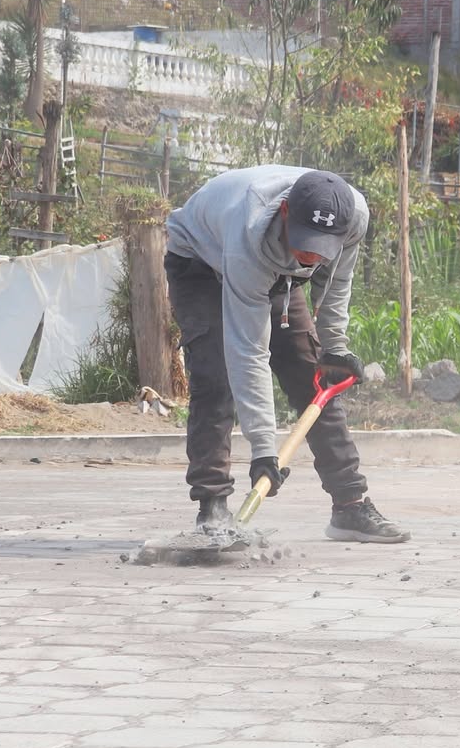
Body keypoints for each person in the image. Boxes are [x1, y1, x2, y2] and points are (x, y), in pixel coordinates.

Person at [164, 165, 409, 543]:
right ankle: (212, 506)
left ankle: (351, 506)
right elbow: (248, 352)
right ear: (284, 214)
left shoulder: (353, 216)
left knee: (313, 378)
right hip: (201, 261)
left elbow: (336, 280)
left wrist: (335, 346)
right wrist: (264, 451)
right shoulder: (249, 231)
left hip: (280, 271)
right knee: (216, 376)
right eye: (306, 243)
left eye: (321, 249)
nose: (312, 256)